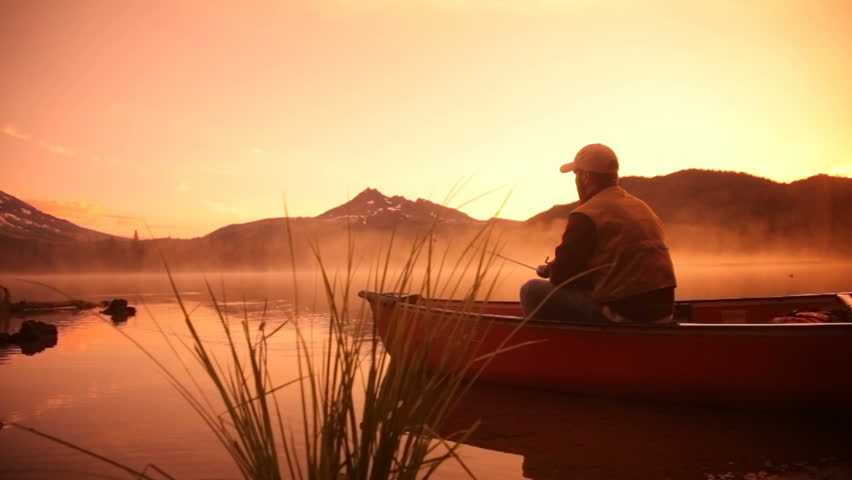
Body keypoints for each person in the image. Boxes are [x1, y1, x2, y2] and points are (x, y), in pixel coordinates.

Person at [520, 143, 676, 323]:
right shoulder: (642, 207)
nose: (575, 180)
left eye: (576, 174)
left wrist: (551, 269)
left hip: (624, 315)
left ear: (586, 176)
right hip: (664, 313)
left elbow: (561, 277)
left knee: (530, 290)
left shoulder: (586, 214)